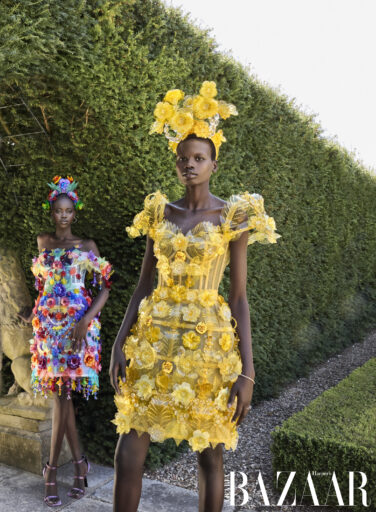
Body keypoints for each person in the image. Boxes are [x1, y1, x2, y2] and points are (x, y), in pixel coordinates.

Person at [109, 82, 279, 512]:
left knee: (209, 454)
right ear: (177, 162)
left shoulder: (232, 217)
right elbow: (144, 285)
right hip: (153, 343)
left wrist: (248, 371)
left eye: (199, 158)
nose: (190, 164)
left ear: (213, 164)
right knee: (129, 451)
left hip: (209, 348)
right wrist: (119, 342)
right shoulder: (159, 212)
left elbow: (238, 297)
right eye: (184, 158)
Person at [22, 176, 112, 507]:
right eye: (58, 211)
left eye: (68, 211)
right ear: (52, 212)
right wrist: (37, 315)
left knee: (62, 397)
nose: (63, 216)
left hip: (77, 330)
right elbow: (42, 287)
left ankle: (51, 471)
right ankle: (79, 465)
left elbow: (106, 287)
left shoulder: (87, 246)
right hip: (48, 330)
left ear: (75, 213)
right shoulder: (42, 242)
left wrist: (86, 320)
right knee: (62, 398)